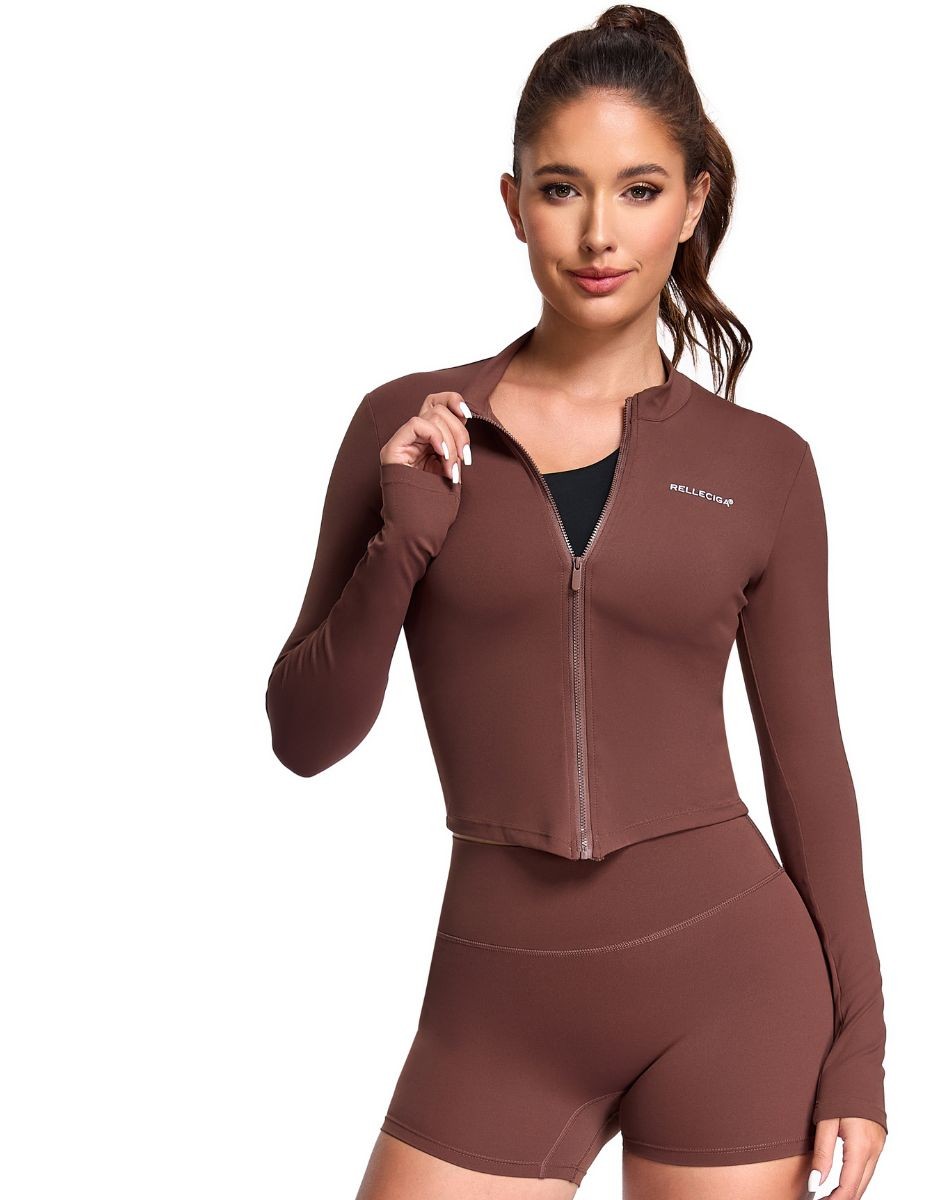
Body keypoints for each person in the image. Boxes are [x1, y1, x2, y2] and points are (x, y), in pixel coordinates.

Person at [265, 7, 888, 1198]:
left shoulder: (764, 465)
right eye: (562, 190)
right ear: (512, 204)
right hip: (494, 1001)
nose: (600, 233)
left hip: (732, 990)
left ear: (692, 203)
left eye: (639, 190)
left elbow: (810, 768)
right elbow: (304, 736)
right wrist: (404, 542)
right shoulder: (411, 425)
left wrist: (859, 1047)